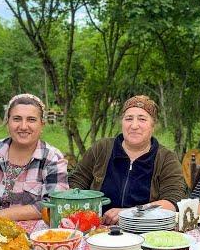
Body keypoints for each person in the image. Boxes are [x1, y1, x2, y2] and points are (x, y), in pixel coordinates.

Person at [68, 95, 186, 225]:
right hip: (97, 228)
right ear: (122, 123)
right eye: (129, 118)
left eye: (142, 119)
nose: (134, 125)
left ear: (153, 126)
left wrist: (130, 213)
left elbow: (173, 201)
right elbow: (76, 183)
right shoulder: (101, 149)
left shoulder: (166, 158)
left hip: (146, 231)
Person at [0, 94, 68, 221]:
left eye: (31, 120)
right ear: (8, 122)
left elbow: (54, 204)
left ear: (42, 125)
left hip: (33, 238)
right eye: (17, 119)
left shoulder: (52, 159)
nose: (23, 126)